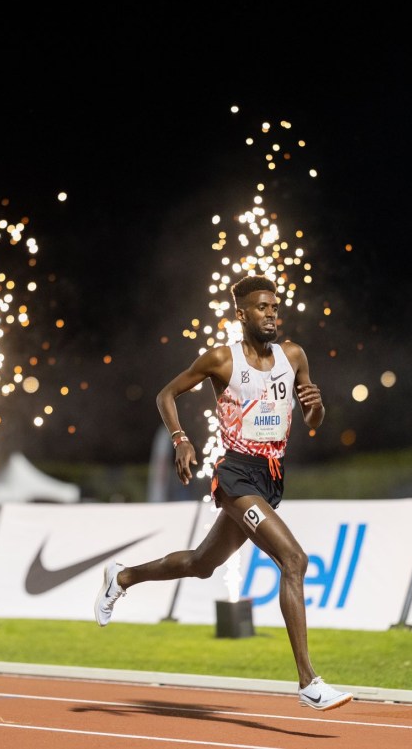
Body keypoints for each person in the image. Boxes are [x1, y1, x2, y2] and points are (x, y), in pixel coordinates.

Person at [94, 274, 353, 712]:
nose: (272, 314)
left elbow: (312, 422)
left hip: (271, 478)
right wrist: (180, 439)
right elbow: (166, 395)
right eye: (262, 308)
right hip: (236, 477)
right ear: (241, 314)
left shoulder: (294, 355)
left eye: (275, 307)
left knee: (200, 565)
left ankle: (121, 577)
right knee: (294, 560)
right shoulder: (221, 360)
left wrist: (317, 406)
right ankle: (308, 681)